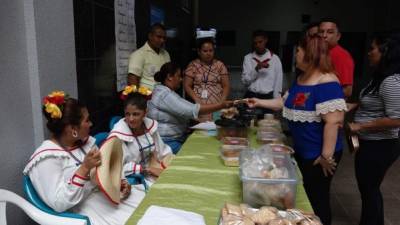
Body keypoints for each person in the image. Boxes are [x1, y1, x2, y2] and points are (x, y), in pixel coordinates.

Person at [246, 36, 347, 225]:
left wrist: (326, 156)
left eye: (298, 51)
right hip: (303, 150)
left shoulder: (327, 81)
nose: (295, 56)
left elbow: (333, 122)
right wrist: (258, 101)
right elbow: (284, 102)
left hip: (320, 155)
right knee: (306, 195)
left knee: (318, 198)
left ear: (310, 53)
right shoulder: (301, 78)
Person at [23, 91, 142, 225]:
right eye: (87, 120)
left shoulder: (86, 144)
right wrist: (84, 168)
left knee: (148, 209)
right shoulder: (46, 158)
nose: (91, 124)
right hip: (81, 213)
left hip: (104, 199)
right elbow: (59, 204)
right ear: (73, 129)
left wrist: (120, 182)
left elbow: (106, 170)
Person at [347, 34, 400, 225]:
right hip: (370, 143)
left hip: (381, 145)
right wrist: (354, 105)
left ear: (385, 52)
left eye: (373, 49)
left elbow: (397, 119)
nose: (369, 53)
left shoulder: (391, 81)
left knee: (370, 189)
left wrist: (362, 125)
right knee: (367, 189)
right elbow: (373, 101)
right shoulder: (378, 78)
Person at [148, 62, 233, 154]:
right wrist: (221, 105)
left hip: (175, 138)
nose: (181, 79)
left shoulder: (166, 92)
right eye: (179, 76)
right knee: (199, 153)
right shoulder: (164, 94)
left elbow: (184, 110)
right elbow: (191, 110)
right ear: (169, 77)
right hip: (167, 142)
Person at [109, 86, 173, 182]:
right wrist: (146, 170)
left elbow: (163, 151)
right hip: (134, 179)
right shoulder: (119, 136)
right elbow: (115, 168)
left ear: (145, 113)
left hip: (153, 169)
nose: (131, 119)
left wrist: (164, 167)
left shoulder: (150, 127)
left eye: (136, 114)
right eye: (127, 114)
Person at [184, 37, 230, 122]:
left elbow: (226, 85)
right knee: (201, 130)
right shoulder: (193, 65)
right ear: (199, 52)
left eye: (211, 50)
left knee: (216, 128)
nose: (208, 53)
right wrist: (196, 99)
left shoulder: (220, 65)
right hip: (200, 105)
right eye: (205, 51)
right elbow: (187, 85)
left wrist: (221, 103)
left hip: (217, 103)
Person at [241, 30, 283, 118]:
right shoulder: (248, 58)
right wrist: (256, 69)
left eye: (260, 42)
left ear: (266, 40)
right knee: (248, 124)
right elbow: (245, 82)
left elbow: (278, 83)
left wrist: (276, 104)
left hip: (267, 98)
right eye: (255, 43)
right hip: (251, 96)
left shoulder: (275, 59)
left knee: (266, 127)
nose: (258, 45)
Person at [128, 23, 170, 90]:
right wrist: (140, 98)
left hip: (165, 94)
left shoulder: (166, 54)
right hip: (147, 97)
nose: (162, 40)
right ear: (150, 36)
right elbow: (132, 82)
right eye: (159, 37)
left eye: (164, 38)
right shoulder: (139, 54)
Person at [319, 18, 354, 98]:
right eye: (321, 32)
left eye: (330, 32)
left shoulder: (342, 55)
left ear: (338, 36)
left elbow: (347, 91)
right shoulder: (318, 52)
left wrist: (317, 94)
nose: (324, 35)